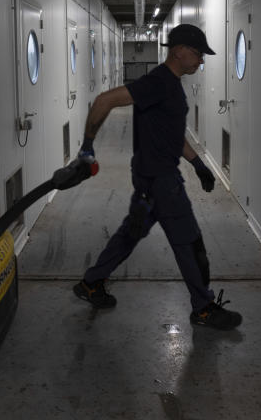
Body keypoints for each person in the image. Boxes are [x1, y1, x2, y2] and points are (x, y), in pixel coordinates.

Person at [72, 23, 242, 330]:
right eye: (198, 53)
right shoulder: (159, 82)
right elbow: (103, 101)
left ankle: (91, 283)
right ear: (178, 51)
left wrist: (198, 164)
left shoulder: (171, 85)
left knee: (130, 234)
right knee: (189, 243)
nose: (201, 60)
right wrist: (86, 146)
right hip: (160, 181)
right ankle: (203, 308)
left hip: (153, 178)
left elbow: (171, 134)